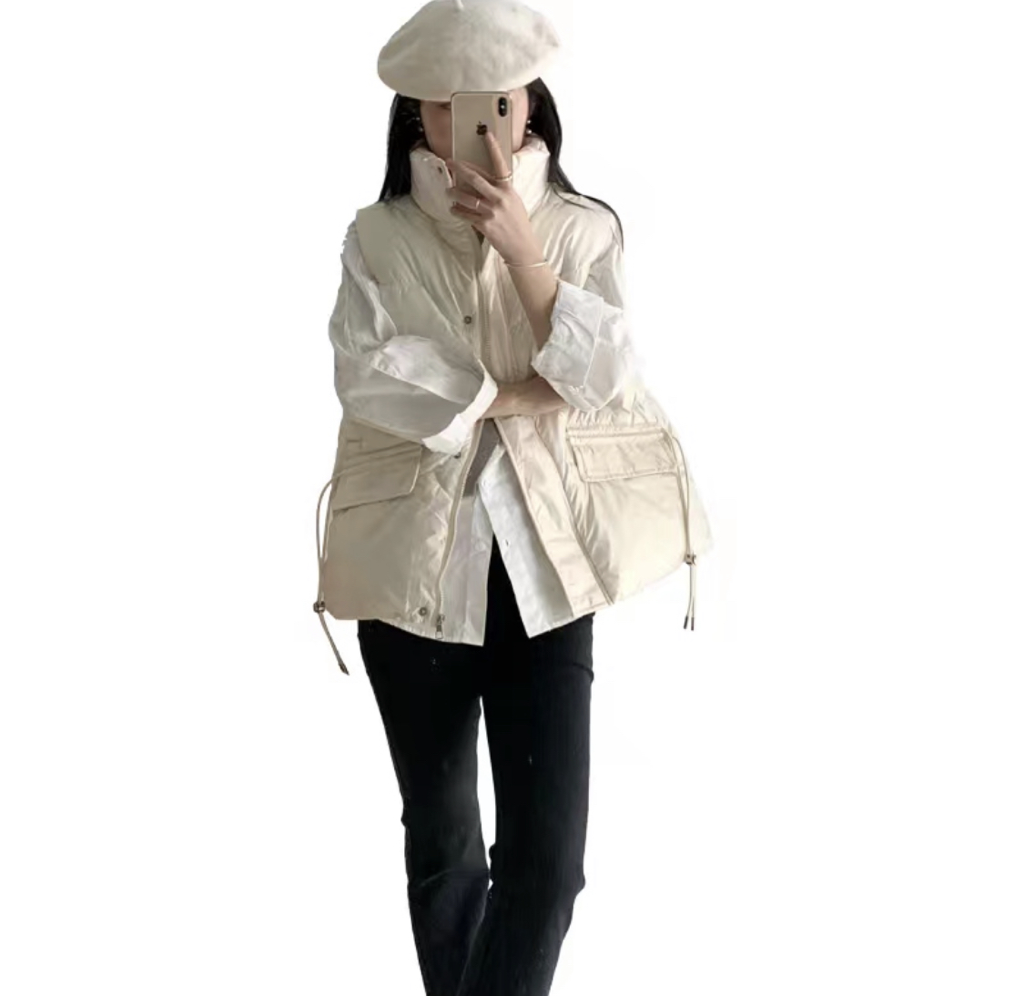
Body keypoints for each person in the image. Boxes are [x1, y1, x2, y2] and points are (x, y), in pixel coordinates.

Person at [312, 2, 713, 994]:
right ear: (420, 115)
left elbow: (606, 376)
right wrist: (514, 393)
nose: (486, 120)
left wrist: (525, 252)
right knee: (444, 847)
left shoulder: (582, 229)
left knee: (548, 867)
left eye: (505, 96)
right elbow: (368, 376)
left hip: (546, 575)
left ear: (533, 101)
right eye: (457, 102)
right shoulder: (377, 237)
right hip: (411, 576)